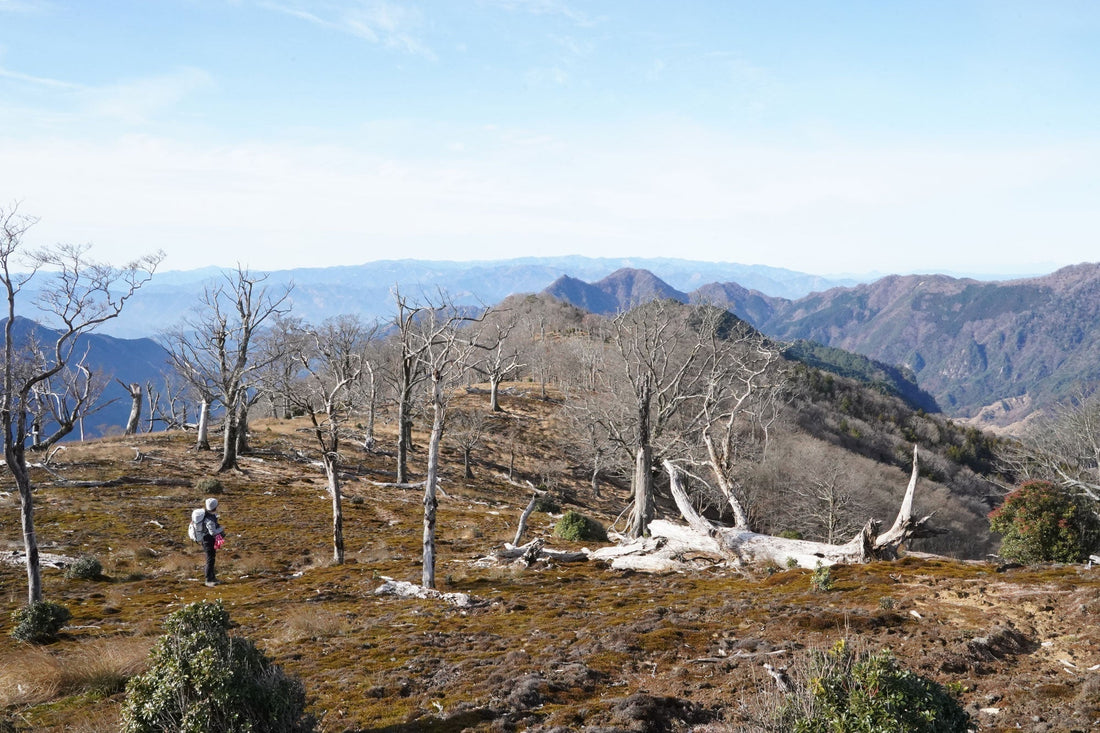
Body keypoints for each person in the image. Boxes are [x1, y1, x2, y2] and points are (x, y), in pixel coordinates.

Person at [199, 497, 225, 587]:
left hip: (206, 540)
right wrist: (221, 529)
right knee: (210, 559)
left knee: (211, 558)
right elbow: (212, 532)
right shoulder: (210, 520)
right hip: (208, 541)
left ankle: (212, 577)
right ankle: (208, 580)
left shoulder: (206, 515)